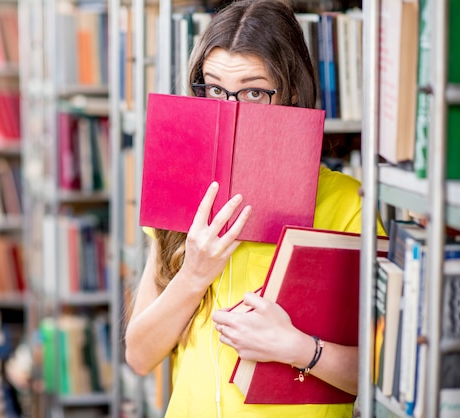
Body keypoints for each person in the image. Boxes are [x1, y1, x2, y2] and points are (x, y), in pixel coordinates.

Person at [124, 0, 386, 417]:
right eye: (213, 89)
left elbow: (384, 378)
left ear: (292, 93)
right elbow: (139, 356)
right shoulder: (182, 193)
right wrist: (193, 274)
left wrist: (298, 349)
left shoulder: (347, 205)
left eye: (253, 92)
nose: (231, 110)